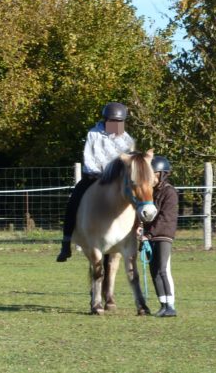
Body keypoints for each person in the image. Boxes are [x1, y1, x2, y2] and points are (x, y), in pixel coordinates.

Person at [57, 102, 135, 261]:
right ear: (106, 120)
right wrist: (103, 174)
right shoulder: (93, 134)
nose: (116, 125)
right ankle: (66, 242)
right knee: (74, 199)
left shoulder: (126, 139)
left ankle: (140, 236)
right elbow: (89, 159)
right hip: (94, 178)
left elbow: (130, 162)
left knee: (137, 198)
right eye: (113, 122)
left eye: (119, 122)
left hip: (117, 181)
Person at [142, 155, 179, 317]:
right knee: (154, 271)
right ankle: (163, 304)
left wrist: (149, 234)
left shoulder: (169, 193)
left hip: (163, 235)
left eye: (154, 175)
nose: (152, 179)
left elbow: (165, 217)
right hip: (151, 237)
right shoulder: (150, 193)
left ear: (162, 175)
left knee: (163, 269)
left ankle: (170, 305)